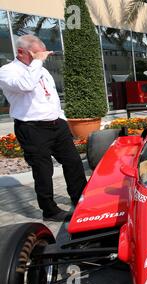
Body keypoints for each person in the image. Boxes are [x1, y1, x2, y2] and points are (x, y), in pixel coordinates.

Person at [0, 35, 87, 222]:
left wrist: (62, 119)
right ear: (22, 52)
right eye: (38, 53)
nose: (43, 57)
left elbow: (51, 97)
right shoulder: (8, 71)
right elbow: (26, 85)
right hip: (32, 128)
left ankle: (80, 199)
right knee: (43, 170)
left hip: (56, 125)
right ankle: (50, 211)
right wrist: (37, 62)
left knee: (73, 162)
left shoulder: (41, 70)